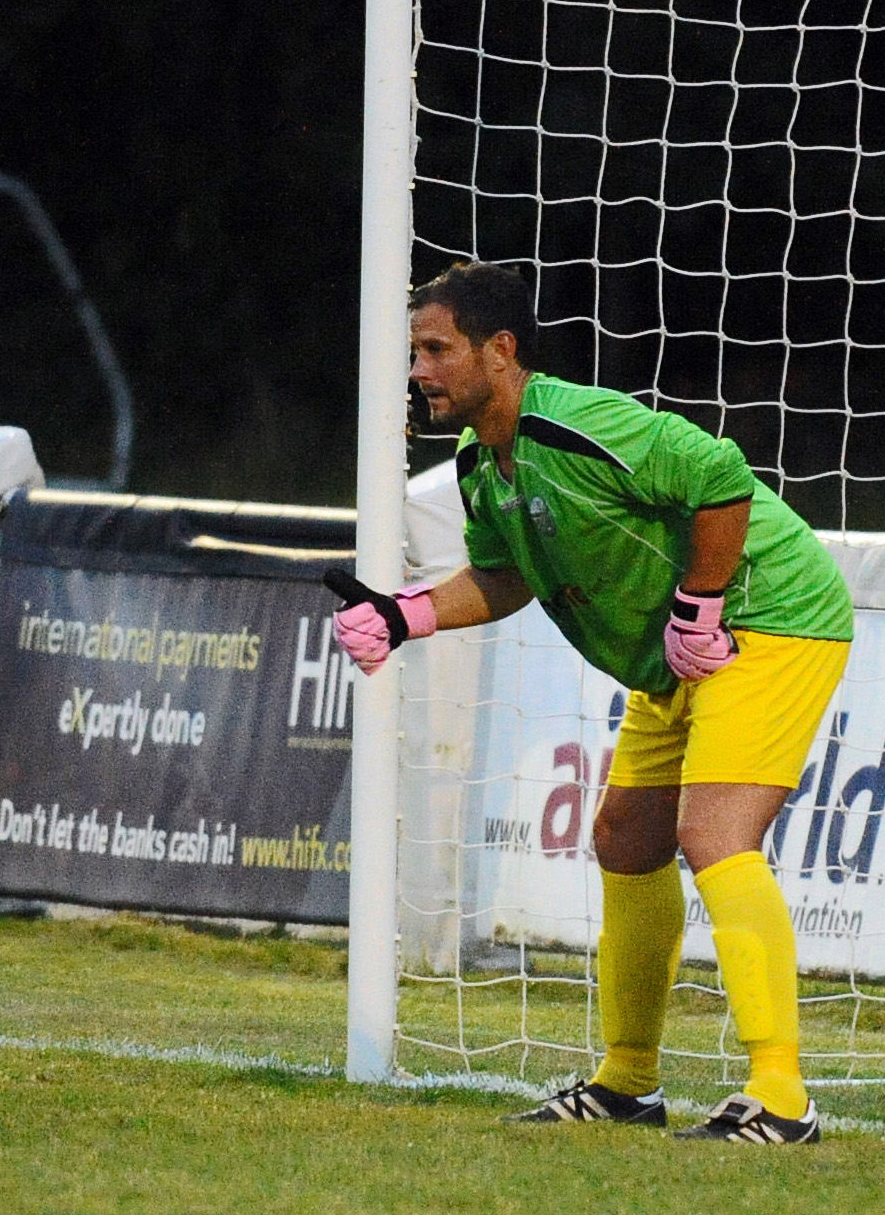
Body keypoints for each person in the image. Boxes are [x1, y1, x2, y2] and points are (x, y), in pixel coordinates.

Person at [331, 261, 853, 1144]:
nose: (418, 371)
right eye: (415, 353)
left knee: (714, 835)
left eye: (436, 349)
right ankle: (627, 1083)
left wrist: (700, 603)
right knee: (625, 840)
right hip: (673, 657)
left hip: (771, 616)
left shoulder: (580, 424)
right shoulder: (479, 462)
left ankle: (781, 1097)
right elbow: (504, 576)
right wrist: (404, 615)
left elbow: (720, 475)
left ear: (500, 351)